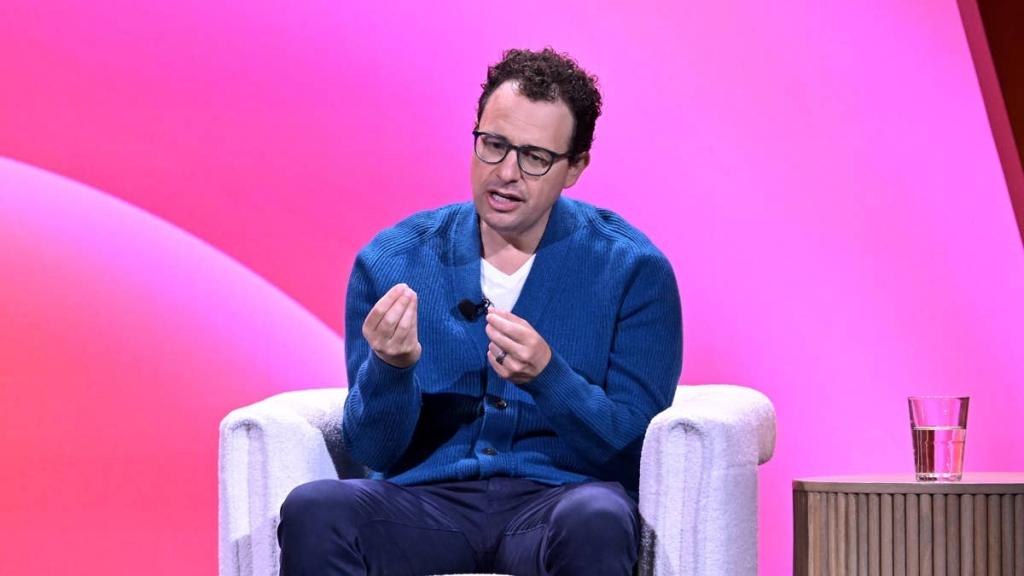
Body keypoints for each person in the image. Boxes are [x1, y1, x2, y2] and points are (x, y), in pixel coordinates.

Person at [278, 47, 683, 576]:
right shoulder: (392, 261)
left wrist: (550, 378)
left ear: (575, 168)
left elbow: (634, 450)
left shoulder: (633, 270)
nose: (506, 173)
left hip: (557, 504)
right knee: (316, 509)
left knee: (598, 516)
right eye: (494, 145)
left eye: (535, 157)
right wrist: (391, 371)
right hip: (425, 506)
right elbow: (373, 449)